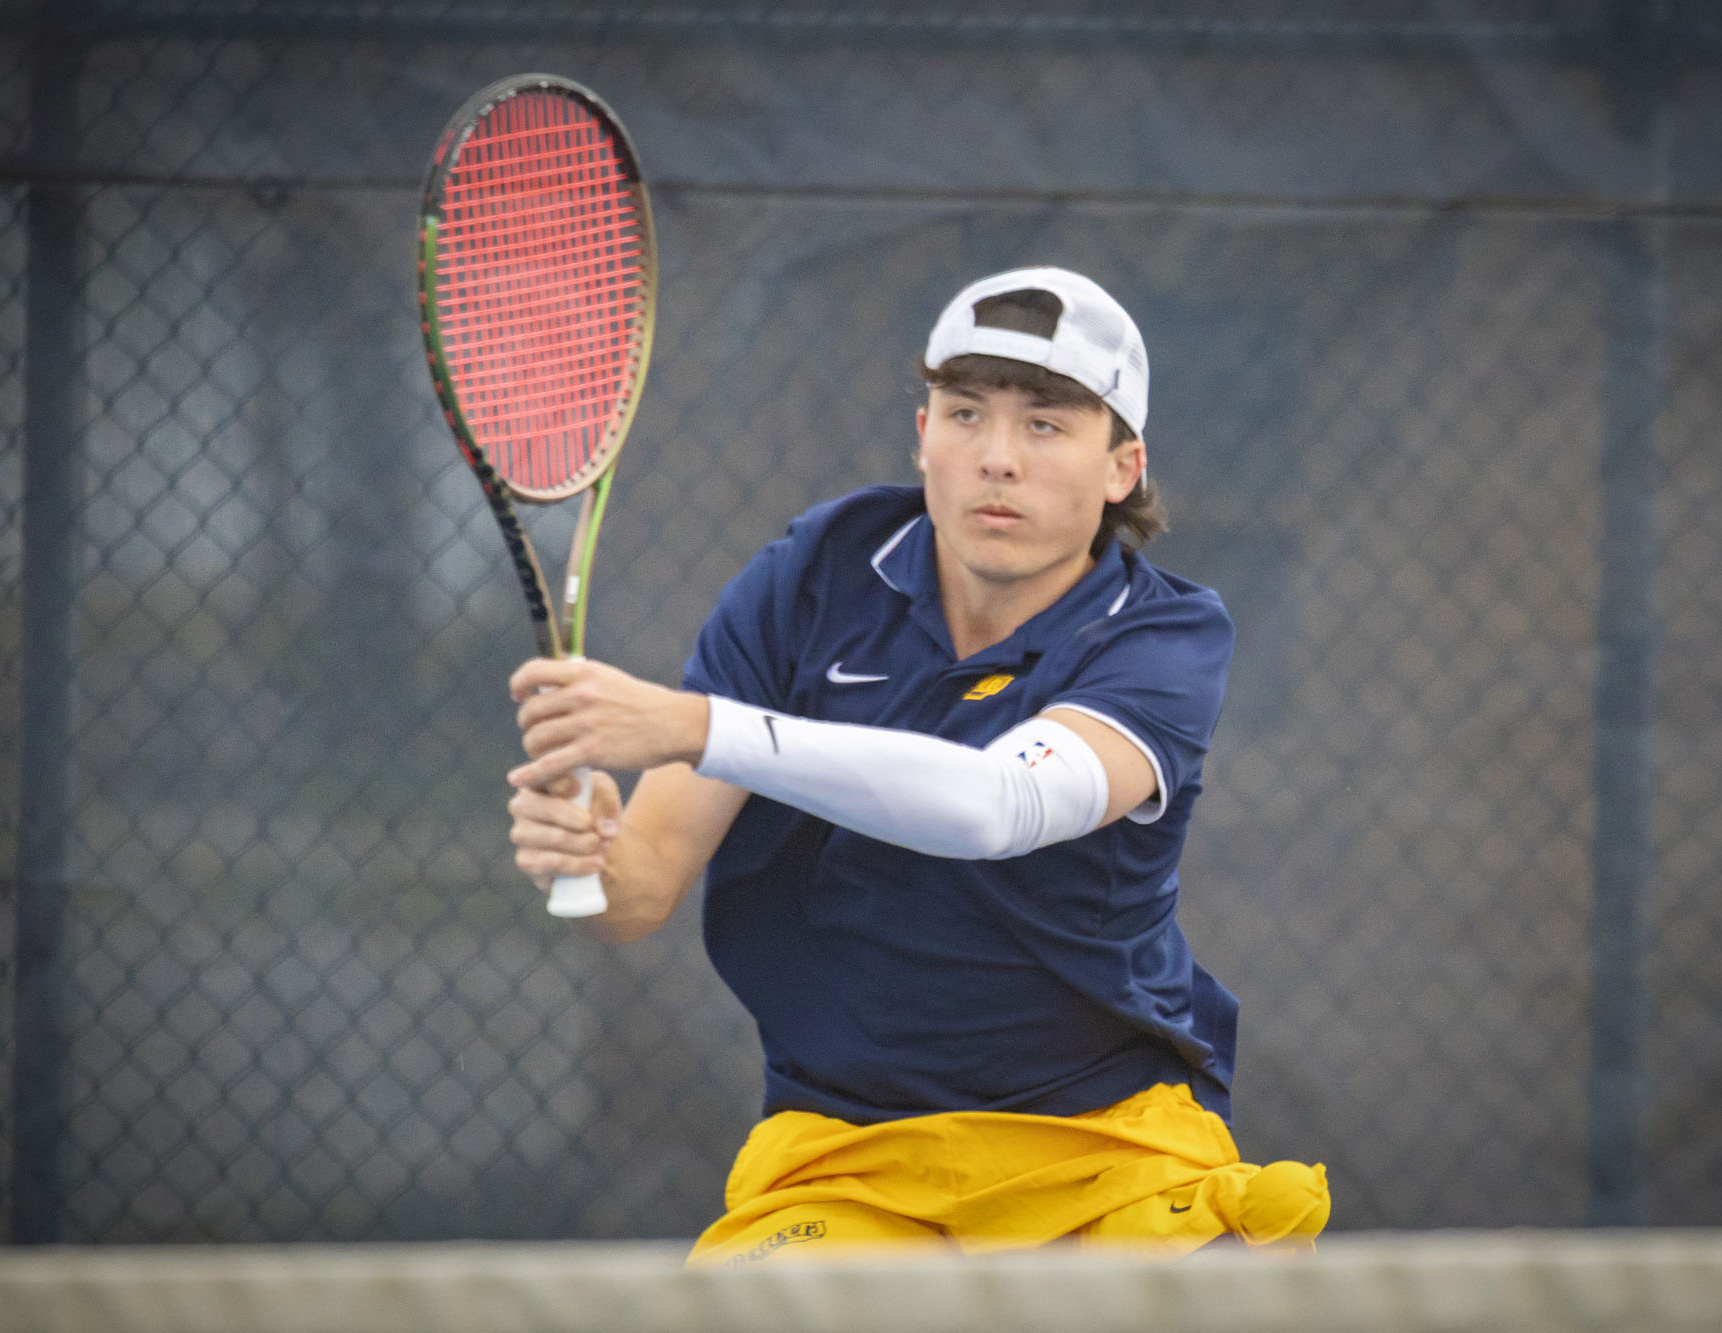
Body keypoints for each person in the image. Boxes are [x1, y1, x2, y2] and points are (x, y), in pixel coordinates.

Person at [504, 266, 1329, 1263]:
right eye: (965, 412)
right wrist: (583, 853)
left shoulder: (1161, 638)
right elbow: (638, 890)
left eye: (1044, 425)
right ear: (921, 435)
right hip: (844, 1154)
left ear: (1122, 467)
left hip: (1104, 1143)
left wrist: (697, 724)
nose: (995, 459)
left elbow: (998, 803)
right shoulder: (809, 581)